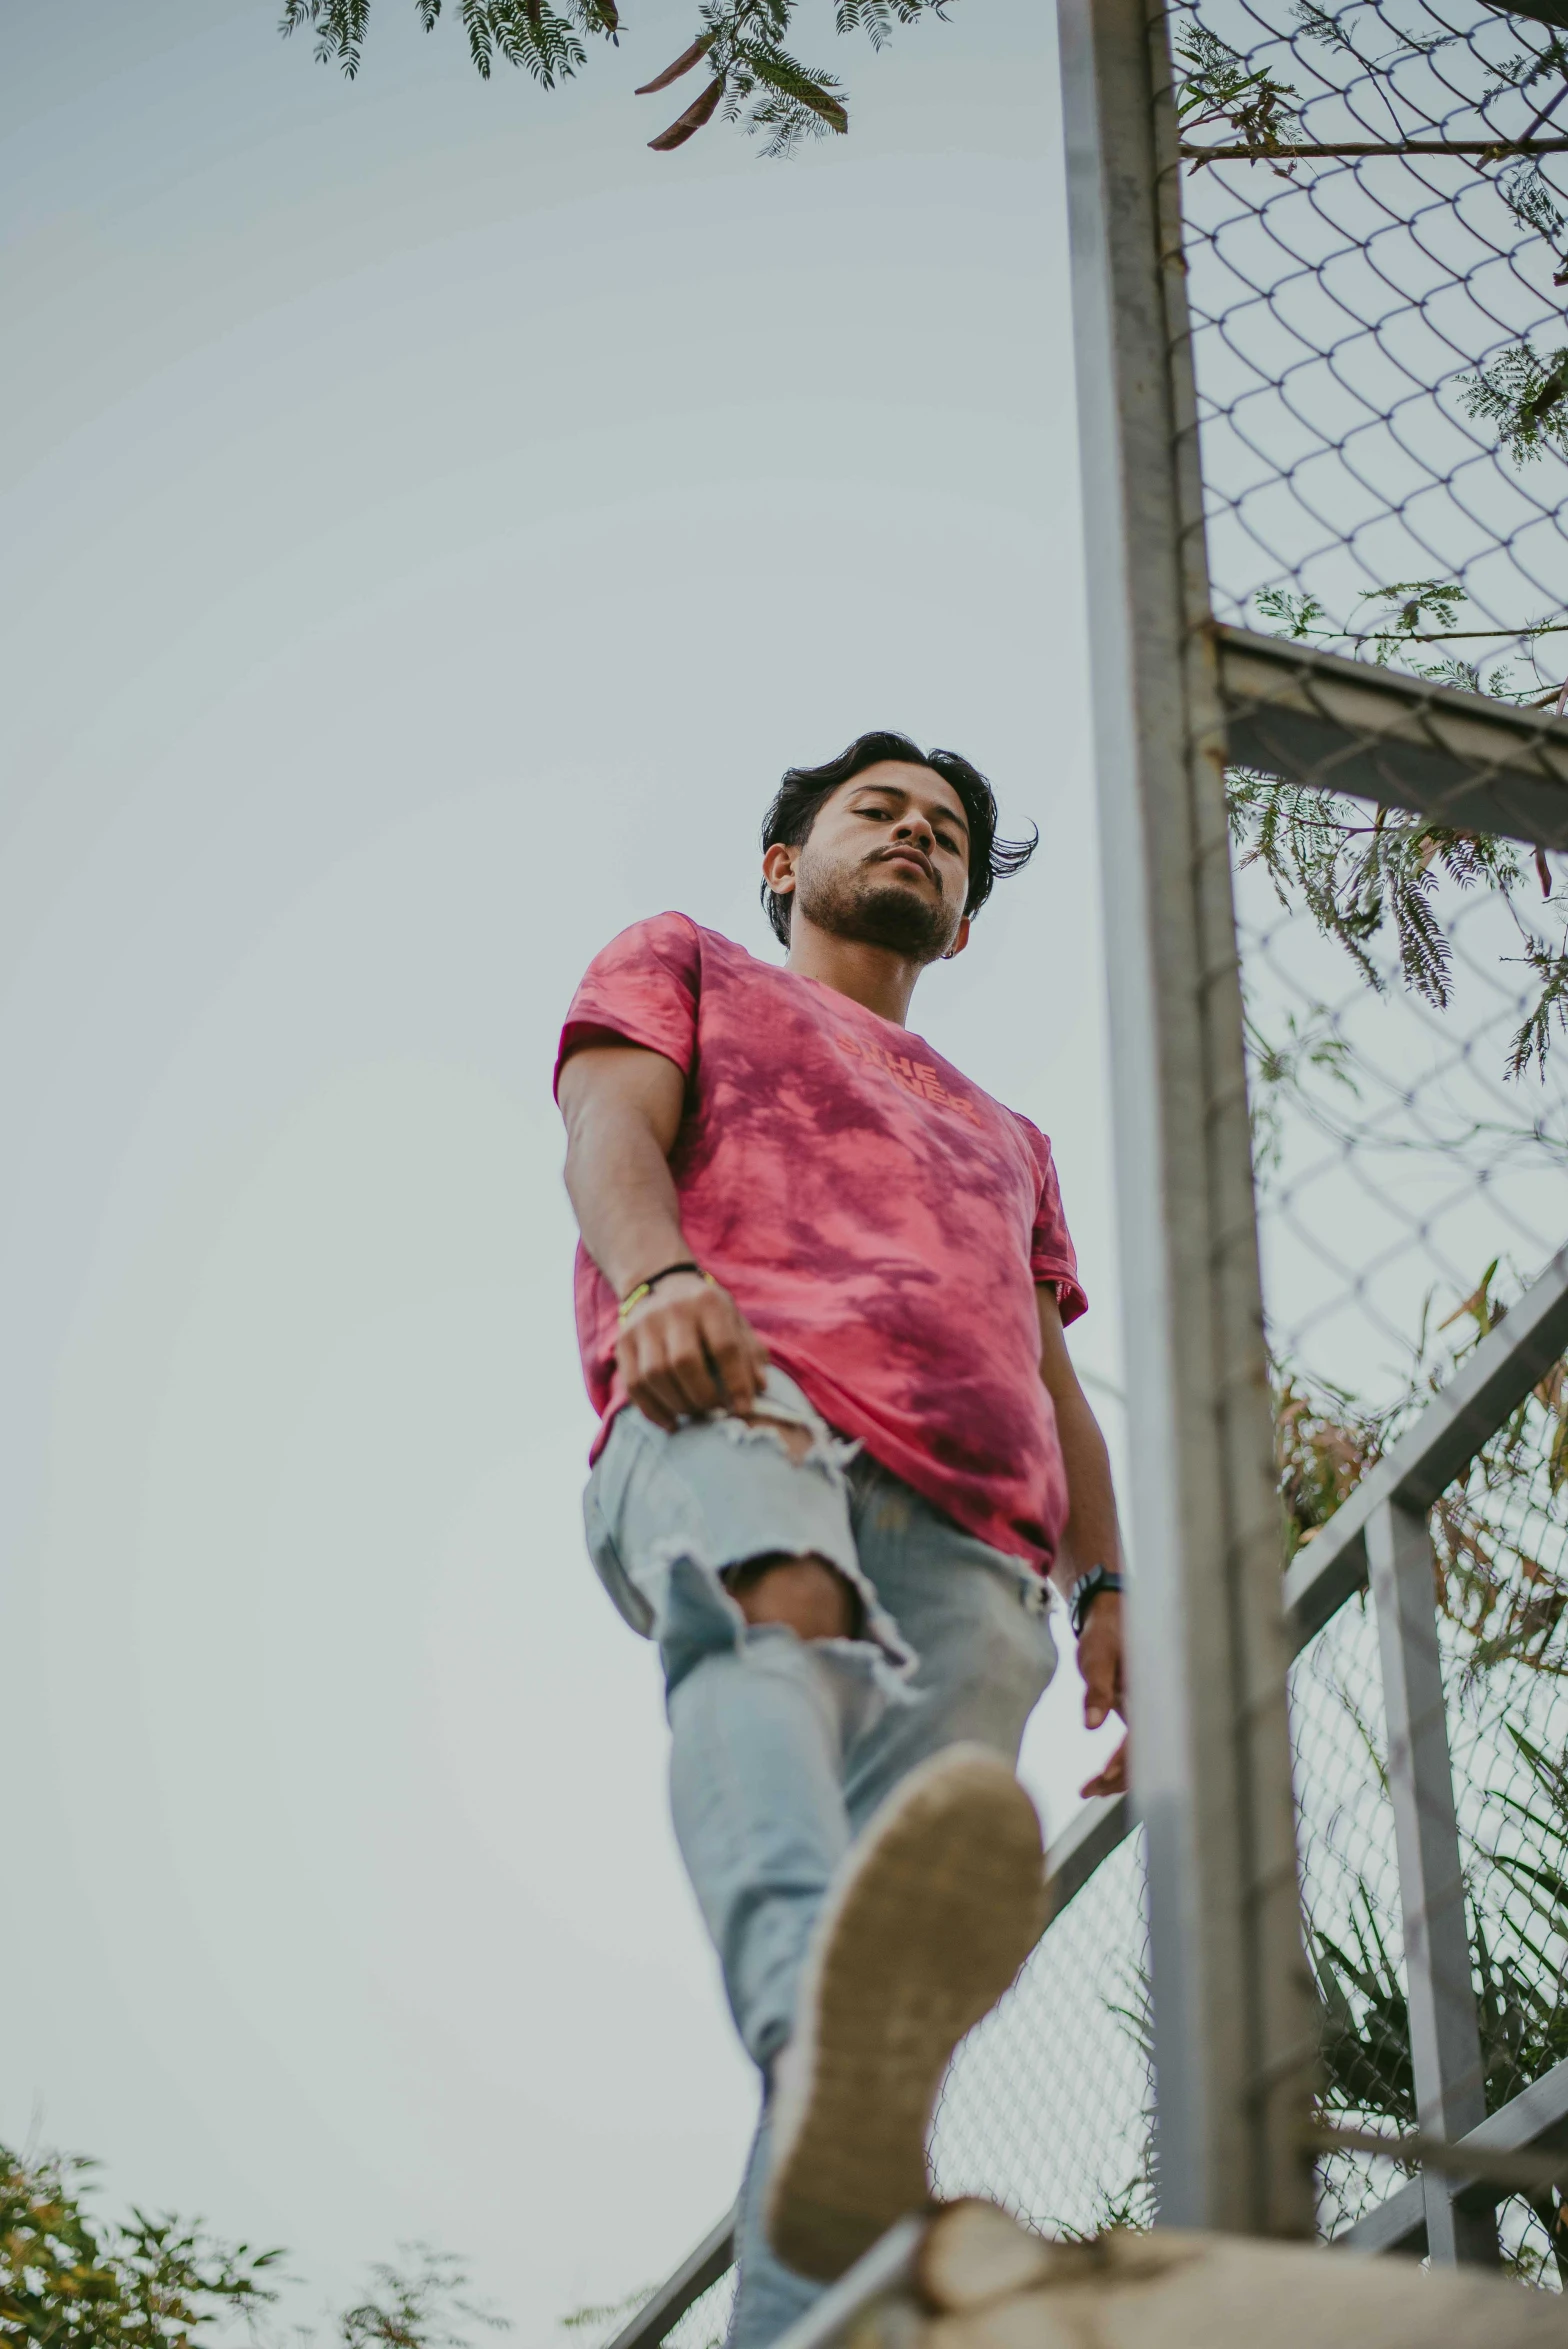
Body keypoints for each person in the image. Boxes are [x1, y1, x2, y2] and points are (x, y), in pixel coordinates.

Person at [554, 731, 1127, 2349]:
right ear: (782, 861)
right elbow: (605, 1133)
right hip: (741, 1393)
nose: (917, 837)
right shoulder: (690, 963)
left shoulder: (1010, 1136)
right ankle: (802, 2009)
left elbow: (1054, 1377)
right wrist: (662, 1285)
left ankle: (806, 2307)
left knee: (882, 2003)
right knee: (776, 1606)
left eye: (946, 833)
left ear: (957, 921)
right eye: (877, 811)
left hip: (979, 1531)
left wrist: (1111, 1587)